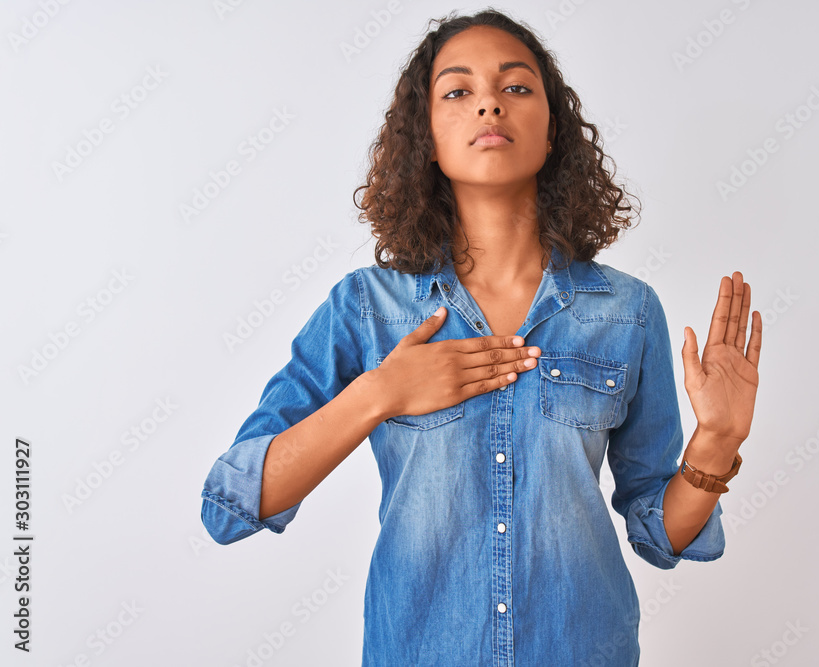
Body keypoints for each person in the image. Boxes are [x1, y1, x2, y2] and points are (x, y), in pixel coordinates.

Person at [200, 8, 762, 666]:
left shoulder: (628, 312)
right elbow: (231, 504)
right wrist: (380, 392)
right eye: (458, 91)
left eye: (517, 87)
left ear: (552, 132)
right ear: (428, 138)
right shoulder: (365, 308)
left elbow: (658, 531)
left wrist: (717, 443)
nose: (490, 104)